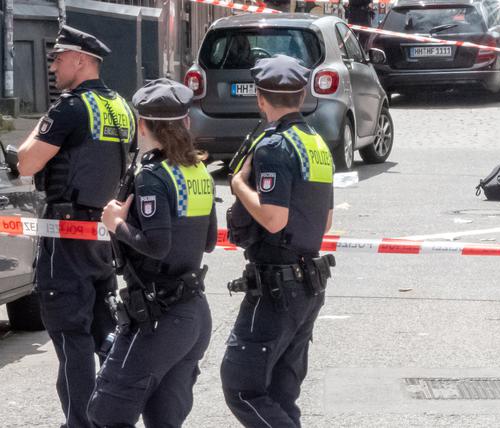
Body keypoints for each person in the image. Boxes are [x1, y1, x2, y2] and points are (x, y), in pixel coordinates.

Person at [15, 26, 135, 428]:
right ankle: (116, 413)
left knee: (71, 337)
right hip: (103, 235)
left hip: (66, 236)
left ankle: (81, 423)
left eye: (58, 58)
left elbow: (27, 163)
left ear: (81, 60)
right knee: (104, 330)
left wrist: (41, 125)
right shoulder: (121, 105)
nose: (52, 66)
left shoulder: (69, 108)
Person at [88, 78, 216, 427]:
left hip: (158, 317)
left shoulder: (152, 176)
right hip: (192, 316)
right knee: (164, 420)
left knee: (104, 414)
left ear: (142, 125)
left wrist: (116, 224)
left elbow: (158, 246)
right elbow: (209, 242)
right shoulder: (197, 170)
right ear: (186, 123)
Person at [220, 54, 337, 425]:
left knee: (241, 387)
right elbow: (327, 219)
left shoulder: (273, 146)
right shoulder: (315, 142)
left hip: (276, 286)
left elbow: (273, 218)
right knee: (280, 393)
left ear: (259, 98)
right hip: (307, 284)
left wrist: (238, 183)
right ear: (302, 97)